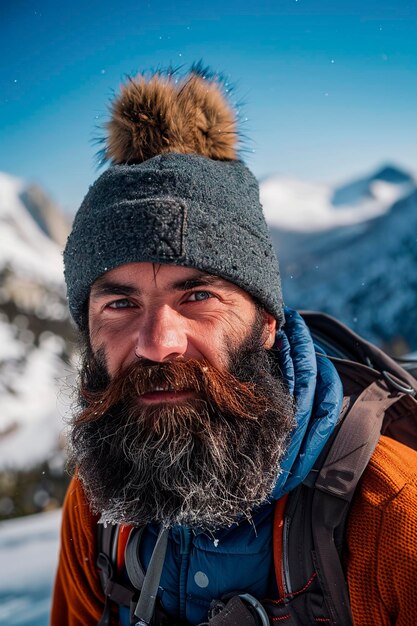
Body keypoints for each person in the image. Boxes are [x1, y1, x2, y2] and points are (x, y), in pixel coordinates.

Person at [52, 66, 417, 626]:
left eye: (197, 295)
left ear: (266, 322)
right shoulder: (101, 502)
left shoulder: (394, 518)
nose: (157, 345)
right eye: (120, 304)